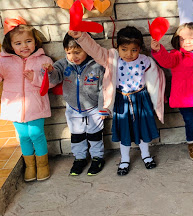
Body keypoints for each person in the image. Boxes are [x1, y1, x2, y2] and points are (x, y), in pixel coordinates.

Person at [69, 27, 166, 175]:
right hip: (122, 102)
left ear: (140, 48)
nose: (129, 54)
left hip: (141, 100)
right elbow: (95, 50)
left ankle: (146, 155)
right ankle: (125, 159)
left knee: (143, 130)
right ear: (117, 47)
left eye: (134, 50)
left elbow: (156, 80)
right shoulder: (111, 59)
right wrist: (81, 37)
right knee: (124, 132)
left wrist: (158, 99)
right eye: (124, 49)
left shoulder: (145, 61)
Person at [151, 22, 193, 160]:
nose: (187, 41)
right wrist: (158, 50)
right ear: (177, 40)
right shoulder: (176, 55)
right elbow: (166, 61)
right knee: (191, 122)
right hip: (184, 99)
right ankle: (192, 145)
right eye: (182, 39)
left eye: (191, 38)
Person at [45, 34, 107, 176]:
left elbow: (104, 87)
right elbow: (55, 78)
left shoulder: (97, 65)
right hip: (73, 109)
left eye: (77, 52)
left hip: (94, 109)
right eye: (69, 52)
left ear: (87, 49)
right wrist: (50, 71)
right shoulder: (63, 64)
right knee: (77, 135)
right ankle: (80, 158)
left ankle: (97, 157)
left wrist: (102, 107)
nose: (73, 56)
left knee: (95, 134)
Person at [0, 17, 54, 181]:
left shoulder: (43, 60)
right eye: (18, 43)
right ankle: (30, 166)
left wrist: (36, 78)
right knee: (23, 136)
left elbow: (51, 82)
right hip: (14, 107)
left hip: (36, 105)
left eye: (28, 41)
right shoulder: (4, 61)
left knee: (36, 134)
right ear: (10, 45)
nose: (24, 46)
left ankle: (43, 165)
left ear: (35, 41)